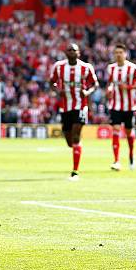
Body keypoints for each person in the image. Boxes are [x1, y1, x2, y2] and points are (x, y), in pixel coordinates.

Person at [50, 43, 98, 181]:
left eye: (74, 50)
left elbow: (95, 84)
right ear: (65, 53)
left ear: (79, 53)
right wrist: (56, 90)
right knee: (69, 141)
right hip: (65, 107)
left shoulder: (86, 68)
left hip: (80, 106)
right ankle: (76, 148)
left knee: (76, 136)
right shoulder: (59, 67)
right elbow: (51, 82)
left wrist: (87, 92)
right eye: (69, 50)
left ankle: (75, 171)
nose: (71, 52)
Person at [106, 44, 136, 171]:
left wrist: (128, 87)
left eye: (120, 52)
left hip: (129, 106)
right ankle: (116, 161)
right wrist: (109, 90)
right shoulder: (110, 68)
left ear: (125, 54)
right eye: (116, 52)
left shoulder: (133, 68)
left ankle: (131, 154)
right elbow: (110, 83)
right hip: (115, 105)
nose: (118, 55)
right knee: (116, 130)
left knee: (129, 132)